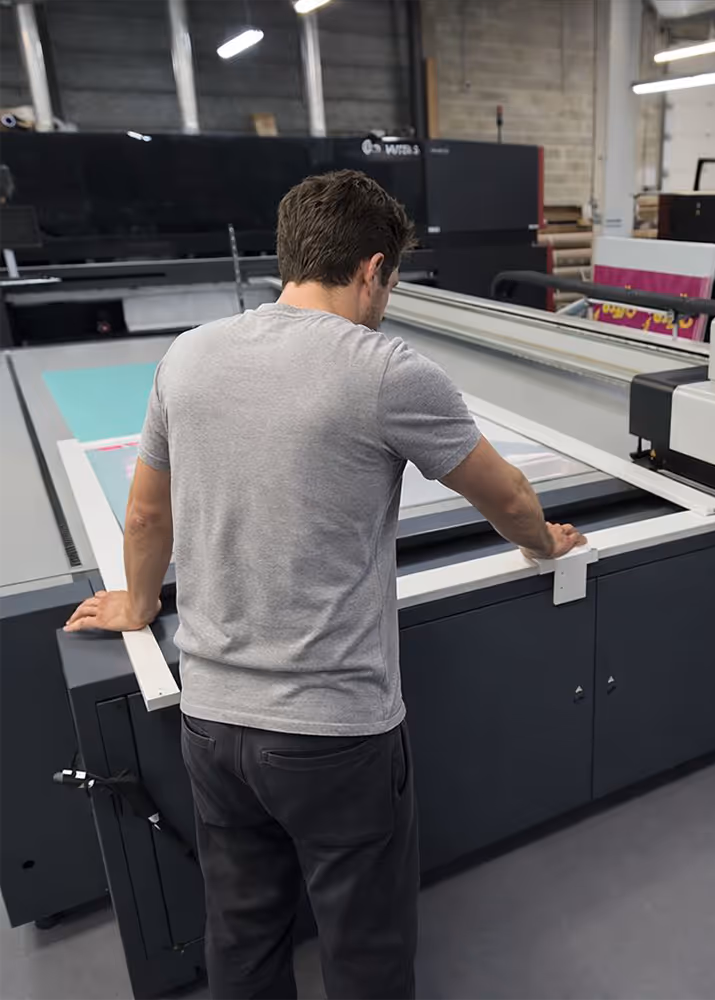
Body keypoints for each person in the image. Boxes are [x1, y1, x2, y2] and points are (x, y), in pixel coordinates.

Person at [64, 169, 585, 1000]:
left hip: (213, 724)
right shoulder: (386, 370)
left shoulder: (188, 355)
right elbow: (510, 497)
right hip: (336, 736)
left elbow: (144, 516)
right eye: (393, 280)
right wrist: (543, 544)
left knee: (242, 934)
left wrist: (137, 602)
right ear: (374, 269)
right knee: (364, 944)